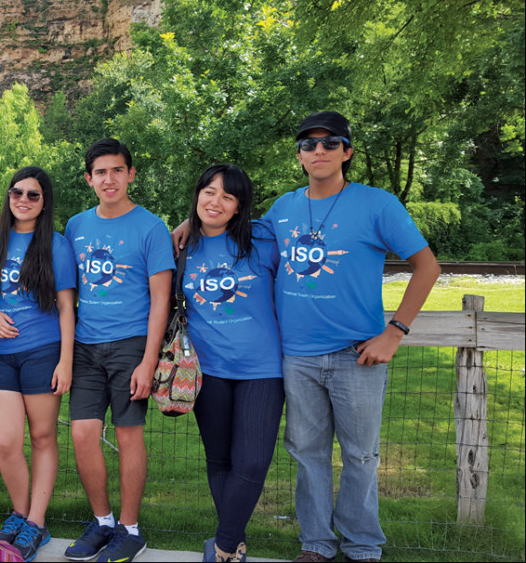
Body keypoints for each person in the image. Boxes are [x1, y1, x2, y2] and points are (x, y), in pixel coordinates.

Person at [173, 112, 440, 562]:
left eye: (330, 143)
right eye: (309, 144)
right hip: (294, 357)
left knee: (360, 456)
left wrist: (394, 333)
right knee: (307, 454)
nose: (319, 151)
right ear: (299, 155)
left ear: (347, 152)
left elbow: (427, 266)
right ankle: (316, 544)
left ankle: (362, 547)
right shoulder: (283, 209)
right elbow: (228, 221)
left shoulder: (378, 205)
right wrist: (189, 223)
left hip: (357, 354)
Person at [63, 139, 174, 562]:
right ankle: (103, 522)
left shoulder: (150, 227)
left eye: (117, 170)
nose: (109, 179)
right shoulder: (76, 226)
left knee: (129, 437)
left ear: (130, 174)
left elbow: (160, 299)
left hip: (131, 345)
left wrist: (148, 361)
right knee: (82, 434)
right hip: (86, 346)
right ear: (89, 178)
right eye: (100, 172)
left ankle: (131, 529)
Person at [178, 165, 284, 563]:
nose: (215, 201)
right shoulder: (182, 247)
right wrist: (182, 225)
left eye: (227, 196)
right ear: (197, 195)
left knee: (253, 460)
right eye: (208, 191)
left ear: (240, 207)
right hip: (207, 370)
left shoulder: (263, 238)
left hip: (262, 369)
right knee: (219, 459)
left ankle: (222, 545)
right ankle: (233, 546)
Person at [0, 166, 77, 561]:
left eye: (33, 194)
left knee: (41, 438)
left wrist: (66, 360)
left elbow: (67, 306)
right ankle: (18, 512)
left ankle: (35, 521)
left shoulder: (56, 244)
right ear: (8, 196)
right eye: (17, 192)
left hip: (43, 351)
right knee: (5, 441)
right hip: (1, 355)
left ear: (44, 201)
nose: (23, 199)